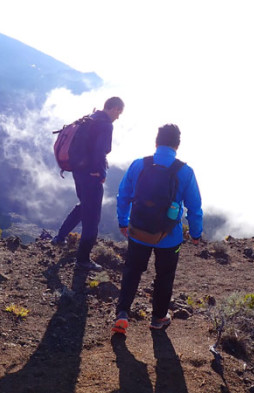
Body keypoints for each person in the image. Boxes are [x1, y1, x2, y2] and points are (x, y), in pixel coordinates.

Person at [112, 123, 203, 334]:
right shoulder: (185, 172)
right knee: (164, 276)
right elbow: (195, 208)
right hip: (169, 237)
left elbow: (123, 195)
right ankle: (158, 318)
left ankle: (122, 314)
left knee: (132, 271)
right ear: (177, 145)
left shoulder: (138, 165)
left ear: (156, 142)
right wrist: (196, 235)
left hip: (138, 232)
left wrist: (123, 222)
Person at [51, 97, 124, 271]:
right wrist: (101, 173)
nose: (118, 117)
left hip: (78, 171)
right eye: (119, 113)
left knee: (85, 206)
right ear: (113, 109)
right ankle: (83, 259)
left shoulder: (90, 117)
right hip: (91, 174)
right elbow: (101, 150)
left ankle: (60, 237)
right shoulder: (105, 124)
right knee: (92, 218)